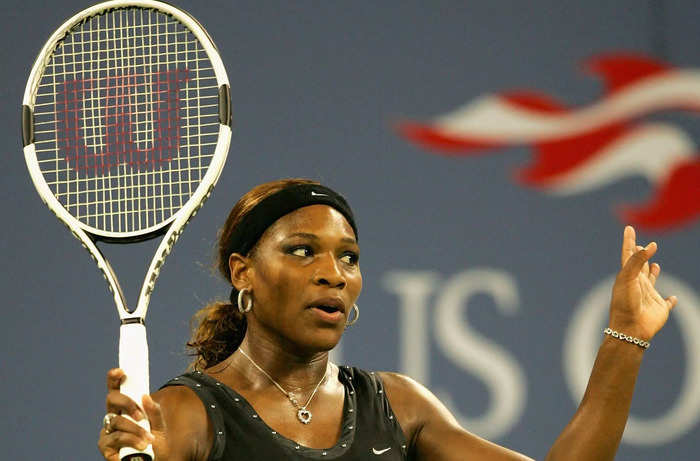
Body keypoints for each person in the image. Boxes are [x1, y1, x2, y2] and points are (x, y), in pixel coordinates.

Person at [98, 178, 677, 460]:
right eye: (303, 251)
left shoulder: (397, 407)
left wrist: (625, 337)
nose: (334, 274)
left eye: (348, 258)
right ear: (243, 272)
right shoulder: (185, 414)